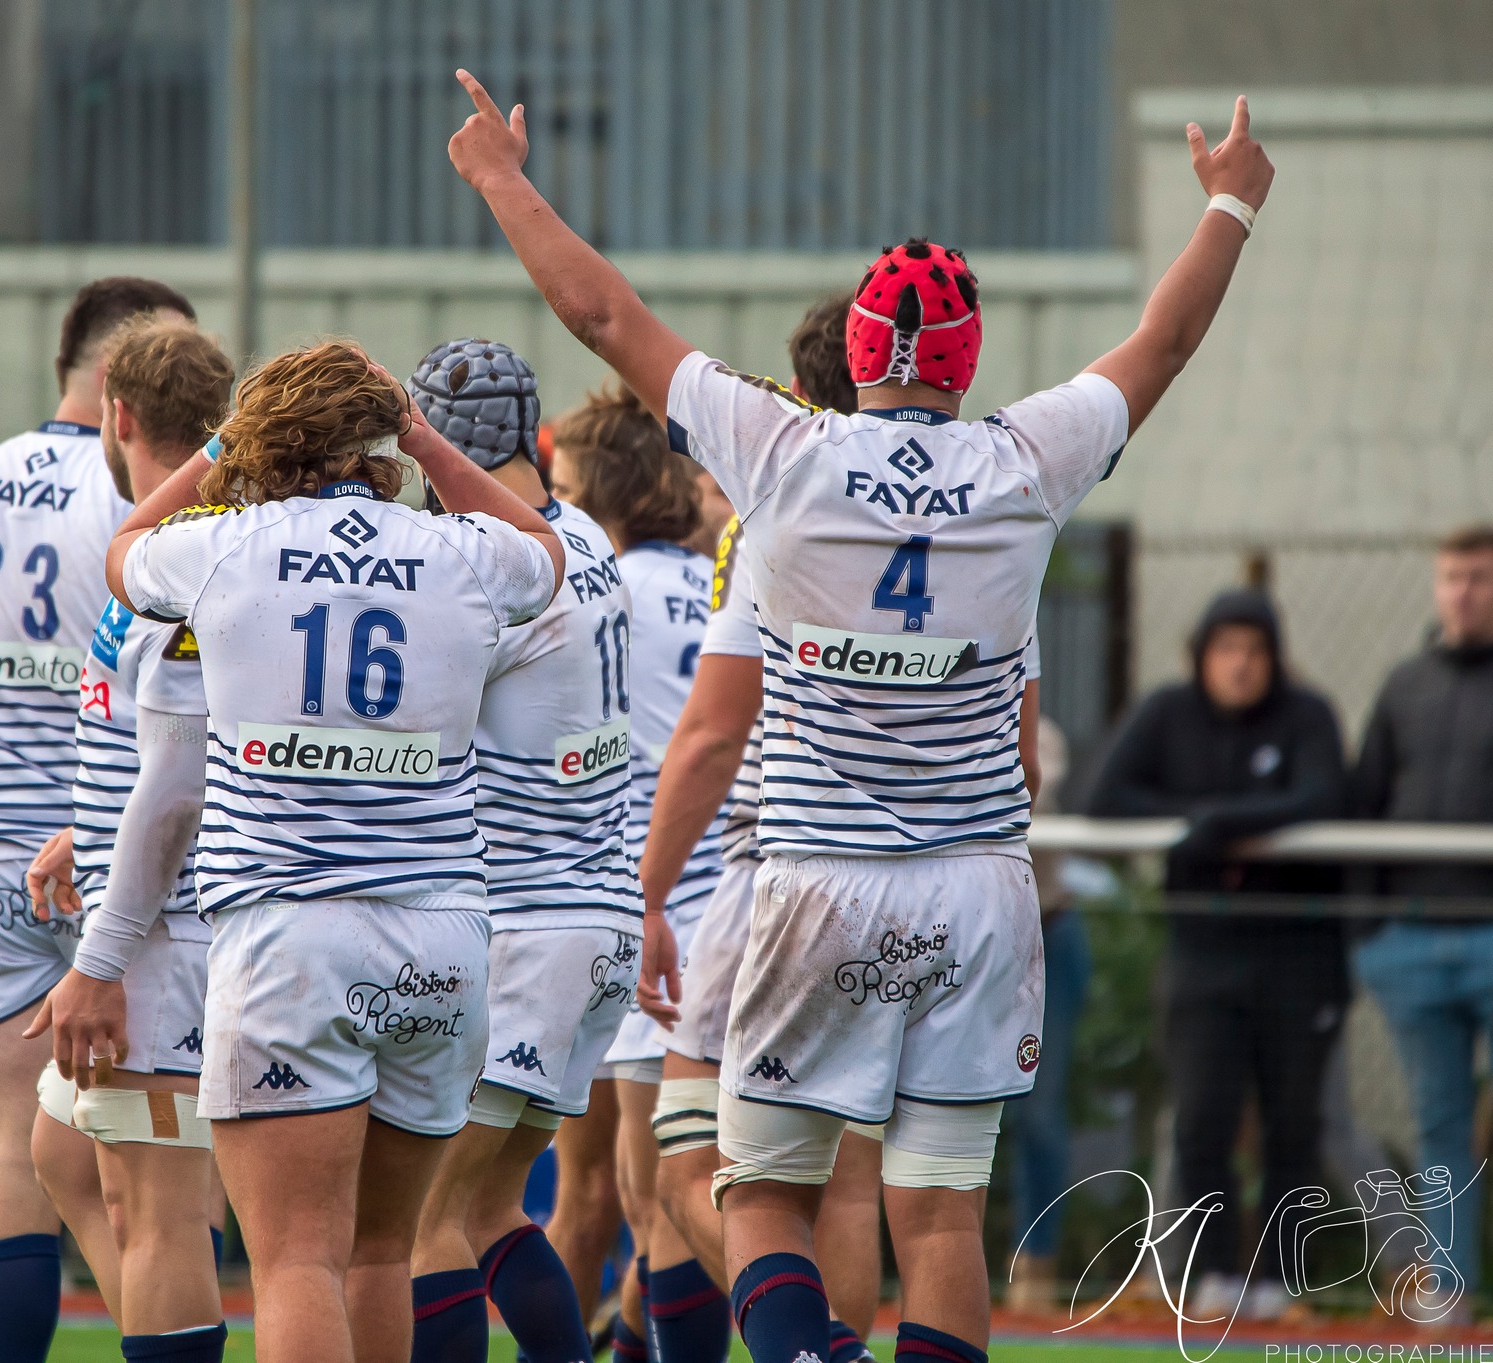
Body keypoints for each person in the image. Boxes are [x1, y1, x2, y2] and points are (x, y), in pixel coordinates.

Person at [447, 68, 1272, 1363]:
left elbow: (602, 312)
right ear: (964, 360)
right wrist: (1228, 208)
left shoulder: (781, 449)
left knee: (759, 1189)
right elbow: (1161, 343)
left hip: (820, 876)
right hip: (976, 885)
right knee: (937, 1215)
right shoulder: (1026, 461)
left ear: (861, 349)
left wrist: (501, 176)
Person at [105, 341, 563, 1363]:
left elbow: (126, 542)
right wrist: (424, 435)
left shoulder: (225, 540)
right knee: (377, 1254)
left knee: (297, 1260)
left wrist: (220, 445)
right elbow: (543, 548)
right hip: (442, 939)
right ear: (382, 442)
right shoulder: (456, 551)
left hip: (291, 937)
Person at [0, 275, 192, 1362]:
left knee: (14, 1160)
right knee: (159, 1172)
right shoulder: (147, 499)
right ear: (132, 384)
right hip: (116, 856)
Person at [636, 297, 891, 1363]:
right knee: (859, 1180)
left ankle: (808, 1346)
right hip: (923, 873)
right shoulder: (972, 504)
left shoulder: (776, 508)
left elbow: (712, 729)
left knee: (688, 1169)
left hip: (781, 866)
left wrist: (645, 889)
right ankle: (823, 1339)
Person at [398, 339, 638, 1363]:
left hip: (524, 923)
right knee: (493, 1212)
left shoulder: (478, 557)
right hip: (595, 920)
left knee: (420, 1225)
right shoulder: (583, 536)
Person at [17, 315, 235, 1358]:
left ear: (117, 412)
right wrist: (86, 826)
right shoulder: (160, 554)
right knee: (61, 1153)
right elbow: (158, 742)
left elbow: (185, 775)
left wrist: (102, 956)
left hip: (167, 931)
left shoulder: (179, 560)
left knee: (160, 1202)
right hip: (143, 905)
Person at [1086, 588, 1345, 1321]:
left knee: (1294, 1124)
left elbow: (1325, 796)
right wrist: (1191, 824)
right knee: (1202, 1117)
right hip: (1202, 949)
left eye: (1255, 650)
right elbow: (1104, 796)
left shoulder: (1308, 715)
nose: (1240, 665)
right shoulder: (1168, 711)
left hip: (1298, 950)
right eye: (1226, 648)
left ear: (1275, 658)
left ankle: (1278, 1282)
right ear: (1201, 655)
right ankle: (1214, 1275)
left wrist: (1218, 821)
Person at [544, 381, 726, 1361]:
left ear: (600, 492)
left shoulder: (599, 593)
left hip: (640, 924)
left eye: (563, 483)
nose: (552, 498)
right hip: (722, 915)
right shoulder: (724, 585)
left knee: (643, 1198)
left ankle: (804, 1332)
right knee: (636, 1192)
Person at [1351, 525, 1493, 1319]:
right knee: (1439, 1123)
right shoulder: (1405, 683)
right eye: (1451, 577)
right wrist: (1368, 932)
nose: (1462, 592)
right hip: (1409, 941)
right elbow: (1364, 798)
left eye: (1477, 576)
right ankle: (1452, 1291)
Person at [1000, 715, 1090, 1315]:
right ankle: (921, 1261)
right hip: (955, 936)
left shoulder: (1042, 730)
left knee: (1040, 1109)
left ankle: (1037, 1265)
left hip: (1046, 931)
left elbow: (1024, 790)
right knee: (931, 1106)